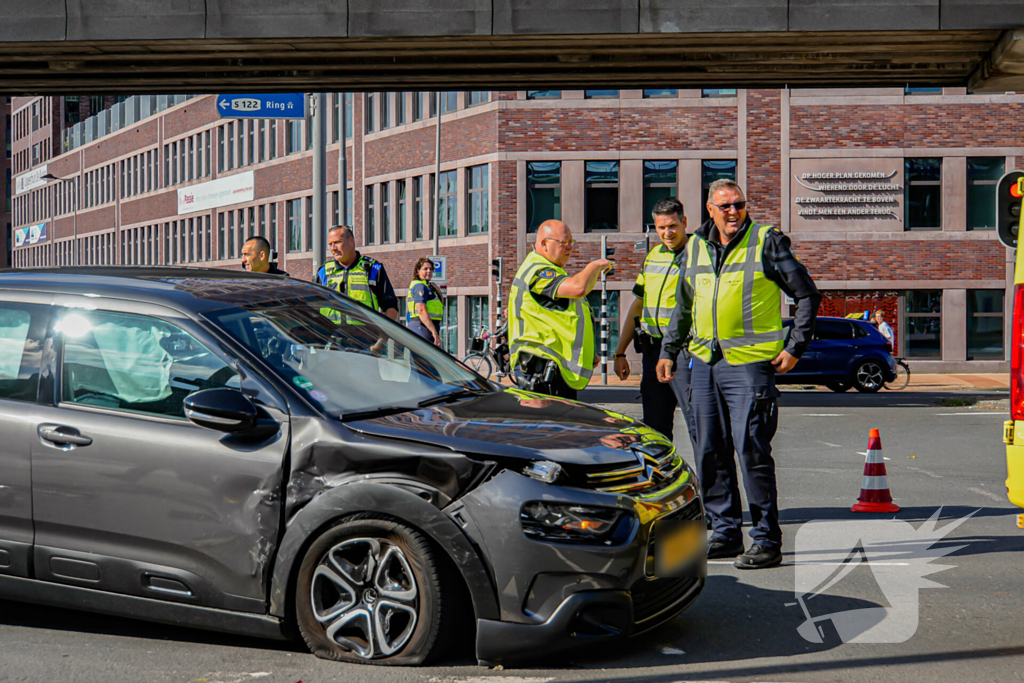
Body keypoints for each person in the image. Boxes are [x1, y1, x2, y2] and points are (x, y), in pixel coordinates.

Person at [656, 179, 821, 570]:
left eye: (739, 205)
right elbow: (683, 306)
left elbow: (807, 294)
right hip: (704, 365)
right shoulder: (693, 246)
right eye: (725, 206)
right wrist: (668, 351)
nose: (733, 212)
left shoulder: (767, 241)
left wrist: (794, 347)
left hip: (749, 367)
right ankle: (725, 532)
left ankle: (766, 539)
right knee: (709, 451)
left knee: (751, 451)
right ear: (709, 210)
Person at [612, 197, 696, 443]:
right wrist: (620, 353)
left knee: (698, 424)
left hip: (685, 351)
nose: (667, 233)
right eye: (661, 227)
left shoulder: (699, 255)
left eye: (672, 226)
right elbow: (637, 305)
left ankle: (707, 480)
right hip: (652, 351)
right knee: (655, 428)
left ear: (684, 223)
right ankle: (661, 479)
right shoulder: (652, 257)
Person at [508, 219, 612, 400]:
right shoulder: (538, 271)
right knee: (548, 427)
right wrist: (595, 266)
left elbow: (561, 318)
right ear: (544, 244)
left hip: (551, 369)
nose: (570, 248)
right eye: (564, 243)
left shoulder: (551, 270)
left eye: (571, 242)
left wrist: (589, 351)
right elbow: (578, 288)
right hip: (540, 371)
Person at [314, 225, 399, 321]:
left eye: (337, 242)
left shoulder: (373, 268)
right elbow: (312, 307)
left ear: (351, 241)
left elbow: (391, 306)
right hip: (331, 334)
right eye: (330, 244)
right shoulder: (323, 272)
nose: (333, 248)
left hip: (365, 335)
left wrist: (383, 335)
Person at [407, 256, 444, 345]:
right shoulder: (420, 286)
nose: (429, 271)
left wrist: (437, 290)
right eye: (425, 269)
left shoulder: (427, 286)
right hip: (423, 327)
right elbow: (422, 311)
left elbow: (440, 304)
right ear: (418, 271)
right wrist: (434, 332)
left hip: (426, 326)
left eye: (431, 269)